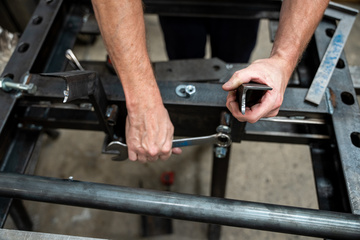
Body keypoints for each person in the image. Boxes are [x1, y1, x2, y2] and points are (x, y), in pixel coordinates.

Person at [92, 0, 330, 163]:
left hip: (243, 9)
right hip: (177, 6)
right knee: (183, 63)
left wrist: (283, 61)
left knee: (234, 68)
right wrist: (142, 99)